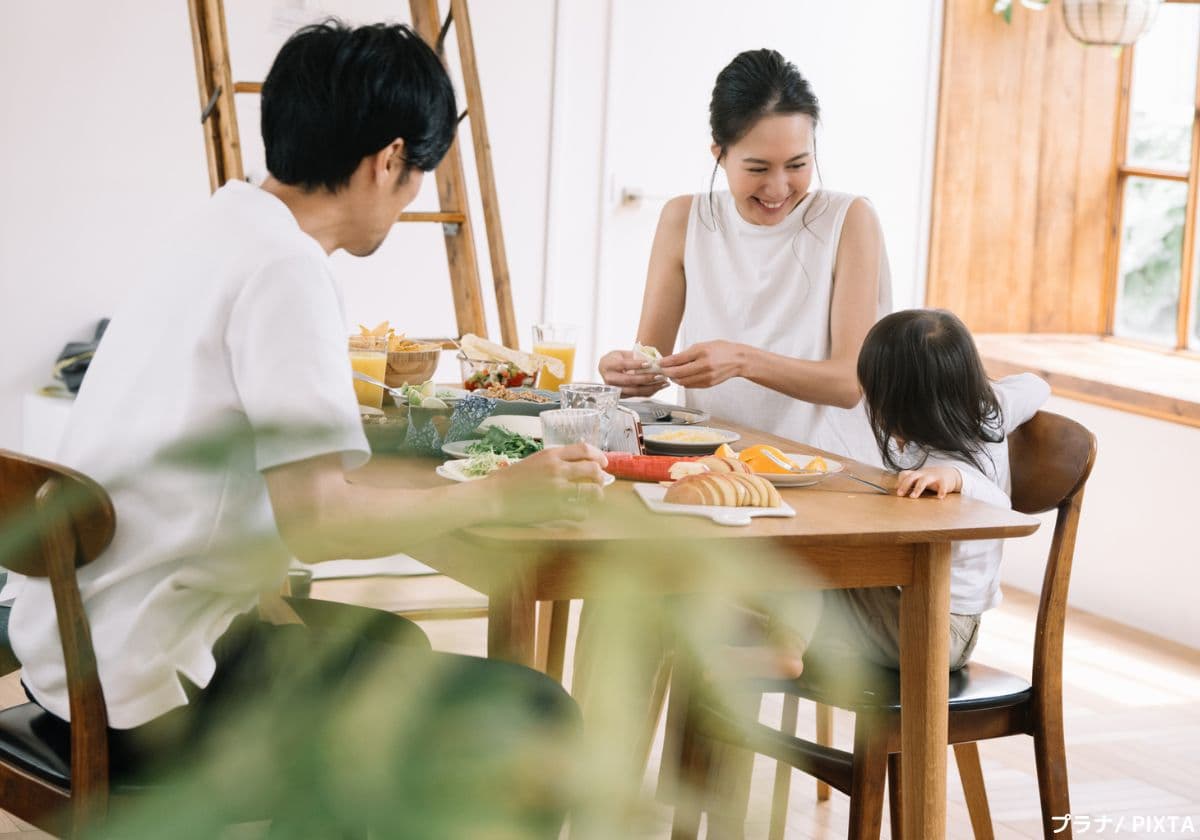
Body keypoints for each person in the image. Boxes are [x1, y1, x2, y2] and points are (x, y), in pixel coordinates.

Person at [9, 20, 605, 838]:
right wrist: (503, 493)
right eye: (415, 176)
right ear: (387, 160)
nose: (410, 200)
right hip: (143, 697)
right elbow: (321, 521)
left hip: (67, 655)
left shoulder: (221, 226)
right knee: (532, 712)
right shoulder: (285, 269)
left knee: (385, 646)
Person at [599, 47, 892, 465]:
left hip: (823, 469)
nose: (778, 188)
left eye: (797, 164)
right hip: (713, 463)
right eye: (757, 168)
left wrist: (742, 360)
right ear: (719, 153)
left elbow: (850, 383)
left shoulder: (848, 220)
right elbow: (653, 367)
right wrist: (624, 374)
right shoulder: (684, 219)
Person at [775, 308, 1051, 676]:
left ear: (920, 407)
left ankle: (784, 649)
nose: (875, 410)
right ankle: (778, 643)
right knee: (791, 561)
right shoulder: (991, 408)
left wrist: (956, 477)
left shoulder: (959, 462)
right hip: (905, 603)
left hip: (940, 630)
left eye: (882, 402)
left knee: (803, 562)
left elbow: (999, 507)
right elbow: (1036, 385)